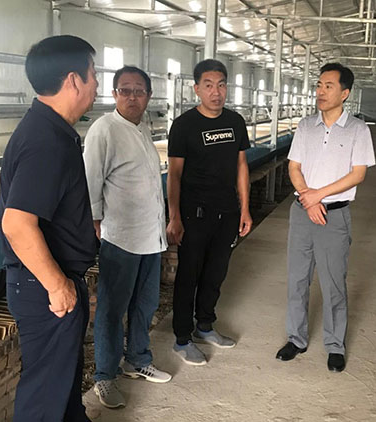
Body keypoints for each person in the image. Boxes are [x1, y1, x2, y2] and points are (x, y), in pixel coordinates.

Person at [0, 35, 98, 422]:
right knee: (44, 398)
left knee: (62, 387)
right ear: (73, 80)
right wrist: (57, 286)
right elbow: (17, 224)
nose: (96, 84)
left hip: (51, 281)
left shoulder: (50, 131)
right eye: (93, 74)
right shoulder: (46, 141)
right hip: (45, 287)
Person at [275, 63, 375, 372]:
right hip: (303, 212)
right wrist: (308, 198)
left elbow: (358, 174)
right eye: (319, 85)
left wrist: (318, 195)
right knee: (297, 278)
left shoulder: (358, 129)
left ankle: (335, 345)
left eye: (328, 86)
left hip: (334, 215)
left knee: (333, 283)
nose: (320, 91)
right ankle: (296, 338)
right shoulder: (306, 125)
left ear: (345, 93)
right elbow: (294, 167)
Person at [83, 66, 172, 408]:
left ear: (148, 96)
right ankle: (105, 376)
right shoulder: (105, 129)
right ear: (114, 94)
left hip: (150, 236)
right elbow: (91, 180)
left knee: (145, 303)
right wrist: (95, 223)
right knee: (111, 309)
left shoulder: (142, 128)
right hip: (121, 237)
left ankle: (137, 359)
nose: (132, 97)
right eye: (125, 90)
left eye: (139, 91)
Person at [167, 59, 252, 365]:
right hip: (195, 213)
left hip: (227, 211)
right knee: (189, 275)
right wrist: (175, 216)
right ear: (196, 89)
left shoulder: (235, 121)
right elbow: (174, 175)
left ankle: (205, 325)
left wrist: (245, 208)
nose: (216, 92)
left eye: (221, 85)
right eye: (208, 85)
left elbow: (241, 165)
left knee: (216, 273)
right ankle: (181, 338)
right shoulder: (184, 125)